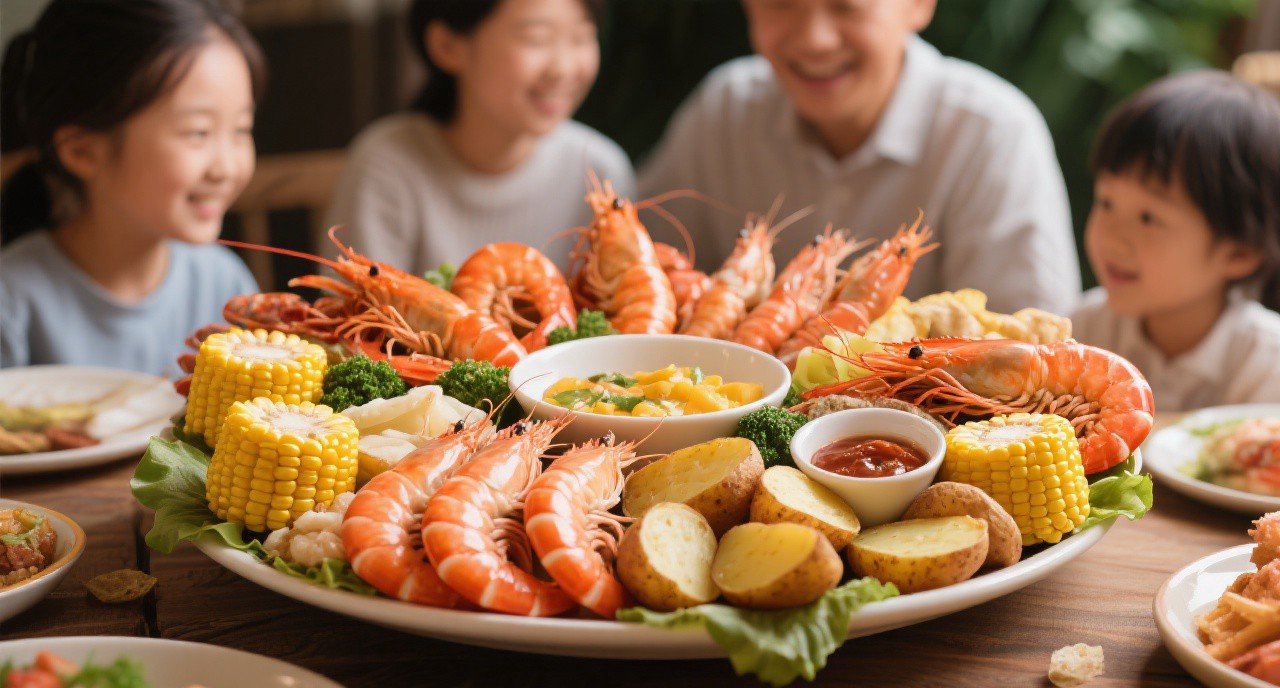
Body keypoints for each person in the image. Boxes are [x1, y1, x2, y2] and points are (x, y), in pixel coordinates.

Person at [639, 0, 1079, 314]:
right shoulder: (725, 107)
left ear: (919, 6)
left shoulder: (992, 131)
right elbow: (643, 280)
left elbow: (1030, 337)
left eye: (846, 6)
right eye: (780, 3)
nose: (815, 39)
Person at [0, 0, 265, 377]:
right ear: (82, 151)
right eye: (198, 133)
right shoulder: (12, 300)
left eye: (241, 130)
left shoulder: (225, 285)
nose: (226, 168)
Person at [326, 0, 634, 273]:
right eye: (537, 39)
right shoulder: (386, 165)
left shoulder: (600, 171)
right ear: (447, 46)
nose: (563, 68)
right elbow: (353, 323)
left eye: (582, 38)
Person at [1072, 71, 1280, 411]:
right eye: (1107, 202)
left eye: (1148, 218)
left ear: (1239, 253)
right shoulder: (1084, 328)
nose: (1112, 237)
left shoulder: (1266, 364)